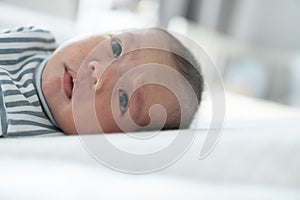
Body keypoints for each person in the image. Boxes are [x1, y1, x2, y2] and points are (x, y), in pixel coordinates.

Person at [0, 26, 203, 137]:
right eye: (116, 48)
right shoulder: (37, 39)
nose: (100, 73)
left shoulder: (29, 133)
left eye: (123, 99)